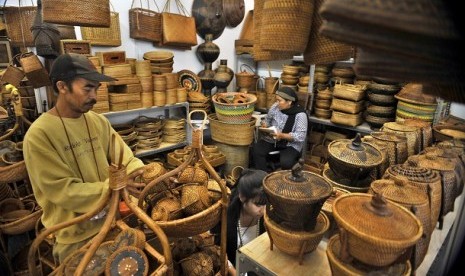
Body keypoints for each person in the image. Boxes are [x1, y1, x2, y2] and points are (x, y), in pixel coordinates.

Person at [23, 53, 146, 263]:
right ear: (62, 87)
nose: (95, 96)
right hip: (75, 238)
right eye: (87, 88)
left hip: (112, 223)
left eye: (96, 88)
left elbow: (126, 157)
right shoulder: (39, 135)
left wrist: (143, 173)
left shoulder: (98, 121)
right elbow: (63, 191)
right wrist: (113, 186)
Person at [211, 168, 268, 275]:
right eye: (258, 204)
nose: (264, 210)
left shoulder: (267, 217)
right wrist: (234, 272)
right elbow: (217, 250)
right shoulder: (224, 219)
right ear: (242, 197)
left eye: (266, 204)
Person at [252, 86, 308, 171]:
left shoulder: (300, 115)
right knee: (256, 150)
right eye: (276, 100)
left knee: (286, 162)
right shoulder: (275, 107)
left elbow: (300, 136)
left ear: (289, 102)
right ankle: (263, 175)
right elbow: (268, 120)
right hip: (273, 139)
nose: (277, 103)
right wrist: (265, 125)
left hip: (290, 144)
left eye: (280, 101)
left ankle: (283, 178)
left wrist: (282, 135)